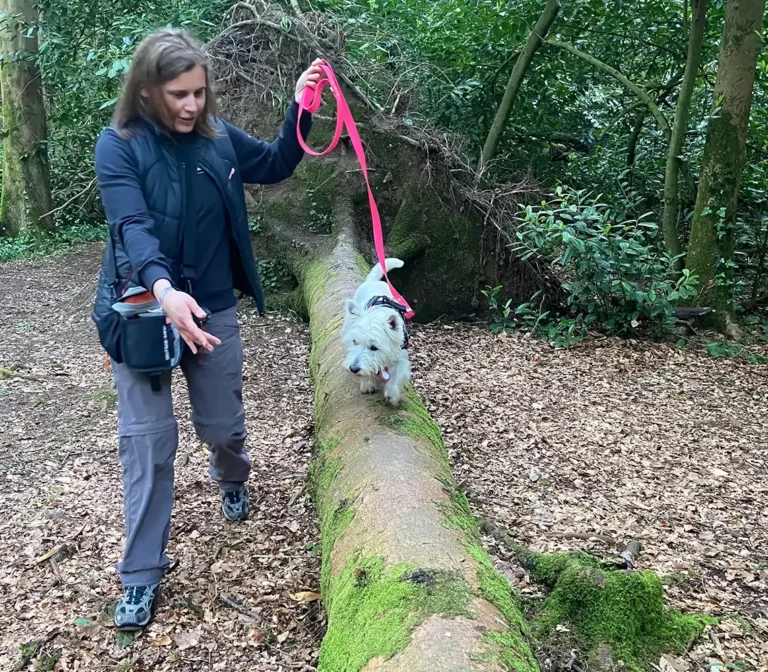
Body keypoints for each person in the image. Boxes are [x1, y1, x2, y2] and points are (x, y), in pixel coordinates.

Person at [90, 27, 322, 631]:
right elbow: (132, 227)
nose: (191, 105)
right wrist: (164, 291)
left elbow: (274, 163)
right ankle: (141, 573)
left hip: (212, 305)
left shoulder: (218, 138)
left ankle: (232, 476)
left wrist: (300, 107)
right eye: (178, 94)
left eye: (198, 92)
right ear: (146, 90)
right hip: (142, 307)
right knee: (147, 440)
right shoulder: (119, 145)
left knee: (222, 424)